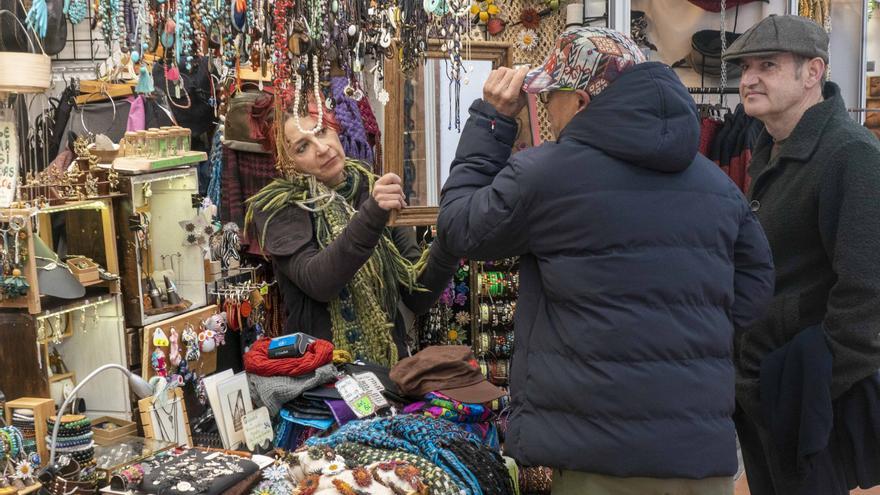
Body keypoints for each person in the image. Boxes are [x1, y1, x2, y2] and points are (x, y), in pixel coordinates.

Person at [437, 26, 775, 494]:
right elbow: (757, 283)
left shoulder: (547, 174)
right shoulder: (714, 182)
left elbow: (458, 227)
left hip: (597, 451)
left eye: (550, 96)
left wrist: (491, 119)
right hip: (698, 452)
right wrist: (692, 337)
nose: (545, 109)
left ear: (580, 101)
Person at [721, 15, 880, 494]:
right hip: (760, 386)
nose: (748, 79)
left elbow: (868, 295)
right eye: (745, 67)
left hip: (801, 393)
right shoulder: (770, 149)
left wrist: (806, 380)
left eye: (767, 65)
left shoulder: (850, 155)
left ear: (813, 72)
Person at [245, 99, 458, 367]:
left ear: (335, 128)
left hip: (390, 370)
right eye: (303, 147)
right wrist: (372, 214)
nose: (321, 149)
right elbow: (320, 281)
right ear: (287, 163)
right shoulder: (279, 209)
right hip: (323, 379)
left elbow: (418, 295)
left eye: (321, 131)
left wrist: (450, 242)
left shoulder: (372, 188)